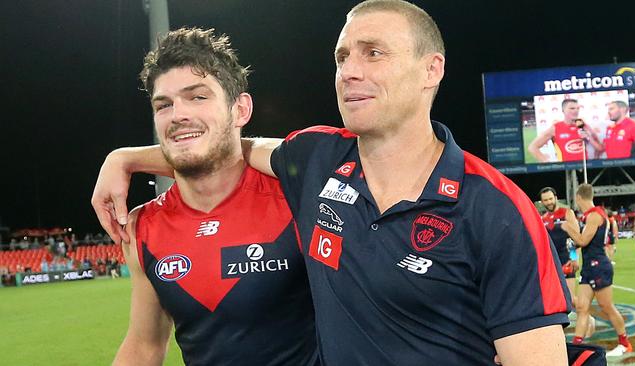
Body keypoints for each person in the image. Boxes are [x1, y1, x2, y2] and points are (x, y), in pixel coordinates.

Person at [93, 1, 571, 364]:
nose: (351, 71)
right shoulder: (315, 160)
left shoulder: (495, 208)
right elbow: (220, 146)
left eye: (374, 53)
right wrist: (127, 158)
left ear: (432, 69)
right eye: (342, 57)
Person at [109, 28, 317, 365]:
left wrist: (125, 158)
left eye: (198, 97)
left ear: (240, 110)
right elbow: (144, 345)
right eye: (164, 105)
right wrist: (119, 157)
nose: (178, 114)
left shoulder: (297, 198)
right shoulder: (142, 227)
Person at [561, 184, 632, 357]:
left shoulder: (594, 215)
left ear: (578, 197)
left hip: (598, 266)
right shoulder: (592, 215)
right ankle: (577, 345)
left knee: (606, 306)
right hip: (589, 268)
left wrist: (567, 227)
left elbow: (583, 240)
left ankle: (625, 343)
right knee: (582, 308)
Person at [539, 187, 580, 304]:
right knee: (555, 299)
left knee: (570, 298)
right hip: (552, 262)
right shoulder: (542, 219)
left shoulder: (567, 213)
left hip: (567, 259)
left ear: (556, 198)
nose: (549, 202)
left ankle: (588, 319)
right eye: (546, 200)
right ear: (542, 202)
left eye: (551, 199)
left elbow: (575, 237)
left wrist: (574, 258)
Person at [528, 99, 603, 162]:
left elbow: (599, 148)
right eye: (572, 108)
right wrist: (546, 161)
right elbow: (532, 147)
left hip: (584, 168)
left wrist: (588, 137)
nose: (576, 111)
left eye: (577, 108)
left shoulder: (583, 125)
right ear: (563, 110)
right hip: (565, 169)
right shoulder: (555, 128)